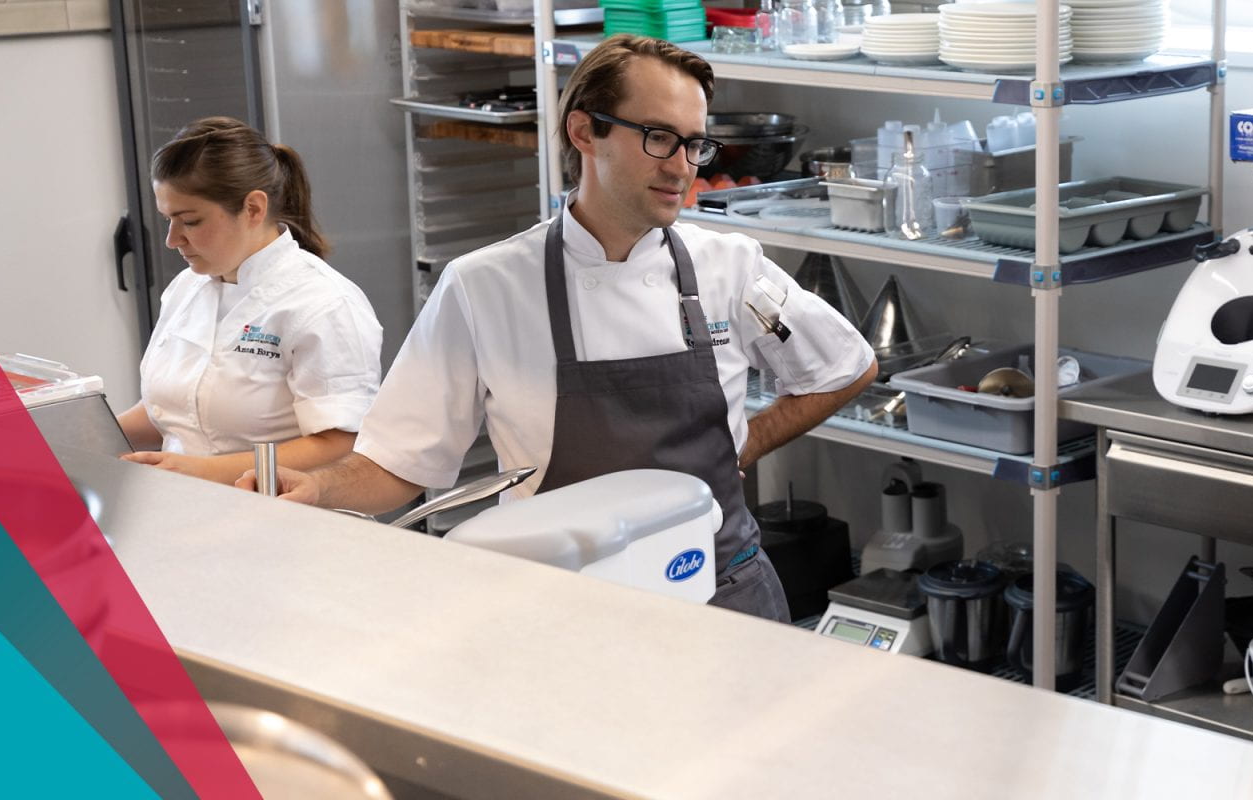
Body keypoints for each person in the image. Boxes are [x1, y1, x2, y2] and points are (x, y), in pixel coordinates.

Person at [246, 35, 875, 621]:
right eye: (659, 137)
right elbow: (401, 461)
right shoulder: (484, 287)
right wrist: (317, 489)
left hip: (723, 595)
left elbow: (846, 367)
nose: (683, 167)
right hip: (565, 610)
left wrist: (745, 442)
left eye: (695, 144)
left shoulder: (730, 268)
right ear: (584, 131)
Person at [115, 117, 384, 485]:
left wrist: (201, 472)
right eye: (167, 220)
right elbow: (172, 410)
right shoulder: (186, 288)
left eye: (189, 221)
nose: (172, 239)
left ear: (254, 209)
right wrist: (72, 434)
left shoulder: (325, 304)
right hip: (183, 498)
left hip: (285, 509)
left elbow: (340, 444)